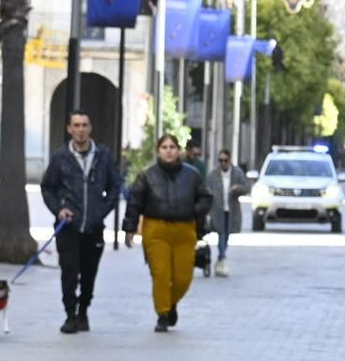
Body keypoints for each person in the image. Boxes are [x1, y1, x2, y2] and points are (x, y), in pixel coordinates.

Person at [40, 110, 123, 334]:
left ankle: (83, 311)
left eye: (84, 125)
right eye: (76, 125)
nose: (80, 130)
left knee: (89, 273)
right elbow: (47, 187)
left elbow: (116, 186)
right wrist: (59, 210)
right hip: (69, 226)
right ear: (69, 129)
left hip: (94, 227)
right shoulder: (60, 157)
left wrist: (102, 210)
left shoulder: (103, 155)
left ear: (90, 128)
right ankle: (70, 314)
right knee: (69, 271)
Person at [124, 133, 212, 332]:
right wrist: (129, 227)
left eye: (172, 147)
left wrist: (194, 211)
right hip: (156, 229)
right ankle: (162, 314)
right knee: (161, 273)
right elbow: (135, 201)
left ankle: (171, 303)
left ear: (178, 150)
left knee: (183, 277)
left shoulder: (192, 175)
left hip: (184, 229)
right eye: (164, 147)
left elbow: (206, 196)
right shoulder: (147, 175)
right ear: (158, 151)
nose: (169, 151)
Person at [206, 149, 246, 278]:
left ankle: (220, 258)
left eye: (225, 160)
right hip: (217, 210)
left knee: (227, 234)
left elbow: (246, 188)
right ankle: (222, 259)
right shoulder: (213, 175)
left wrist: (237, 189)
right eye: (220, 160)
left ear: (229, 160)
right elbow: (207, 190)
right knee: (221, 233)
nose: (223, 163)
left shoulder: (237, 173)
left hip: (232, 209)